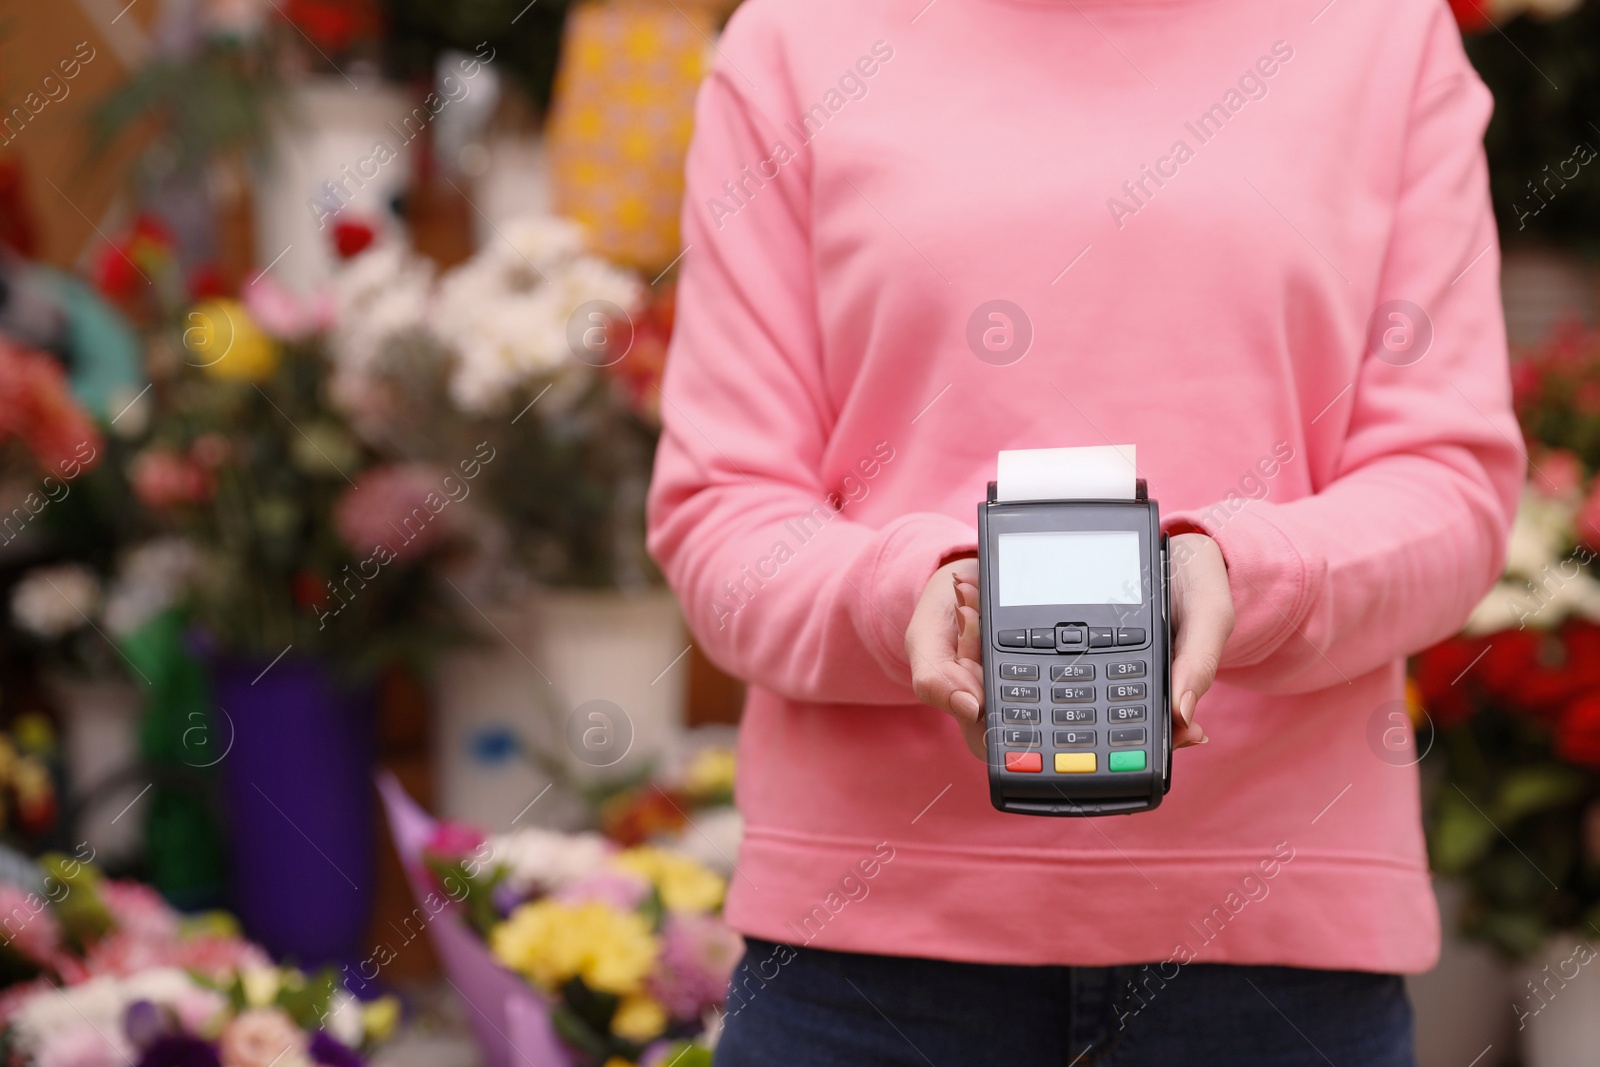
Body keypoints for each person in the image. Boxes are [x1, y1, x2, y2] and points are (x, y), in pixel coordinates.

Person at [646, 0, 1523, 1061]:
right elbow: (721, 514)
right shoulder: (794, 39)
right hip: (864, 962)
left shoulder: (1381, 32)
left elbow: (1448, 486)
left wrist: (1247, 576)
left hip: (1275, 952)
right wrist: (900, 598)